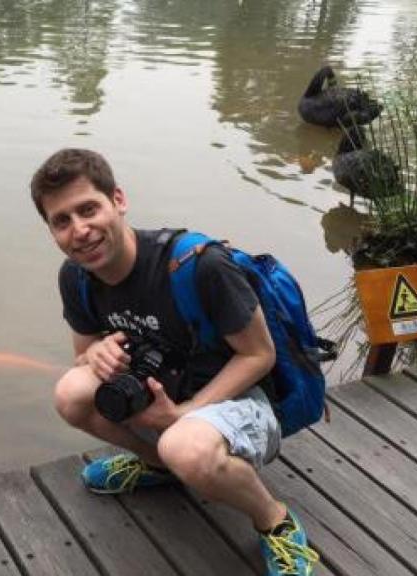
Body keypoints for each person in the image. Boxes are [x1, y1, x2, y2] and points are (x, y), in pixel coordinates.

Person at [30, 148, 320, 576]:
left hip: (244, 400)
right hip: (162, 396)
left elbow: (260, 355)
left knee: (184, 445)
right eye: (62, 221)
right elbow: (81, 357)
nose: (80, 231)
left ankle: (274, 520)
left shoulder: (199, 265)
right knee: (71, 394)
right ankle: (159, 466)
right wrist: (95, 352)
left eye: (88, 209)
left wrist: (183, 414)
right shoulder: (75, 277)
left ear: (119, 201)